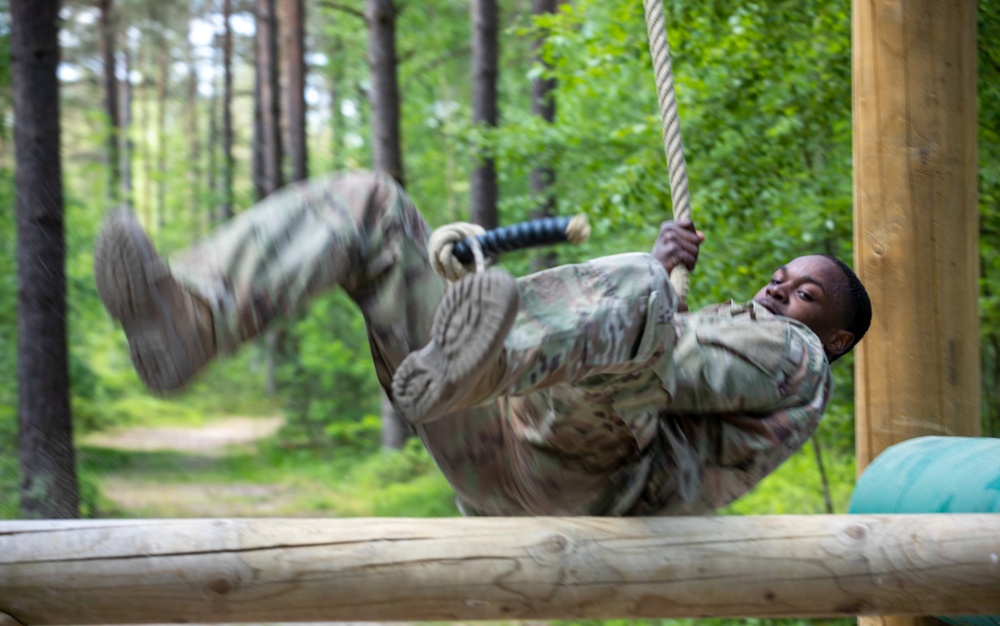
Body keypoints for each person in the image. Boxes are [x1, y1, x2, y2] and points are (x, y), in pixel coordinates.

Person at [94, 170, 871, 517]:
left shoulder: (800, 359)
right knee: (374, 207)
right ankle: (190, 318)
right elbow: (651, 353)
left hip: (589, 487)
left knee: (632, 286)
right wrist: (663, 282)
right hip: (494, 446)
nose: (777, 289)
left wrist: (652, 291)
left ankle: (484, 356)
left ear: (835, 333)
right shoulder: (747, 334)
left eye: (803, 291)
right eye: (778, 276)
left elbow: (676, 369)